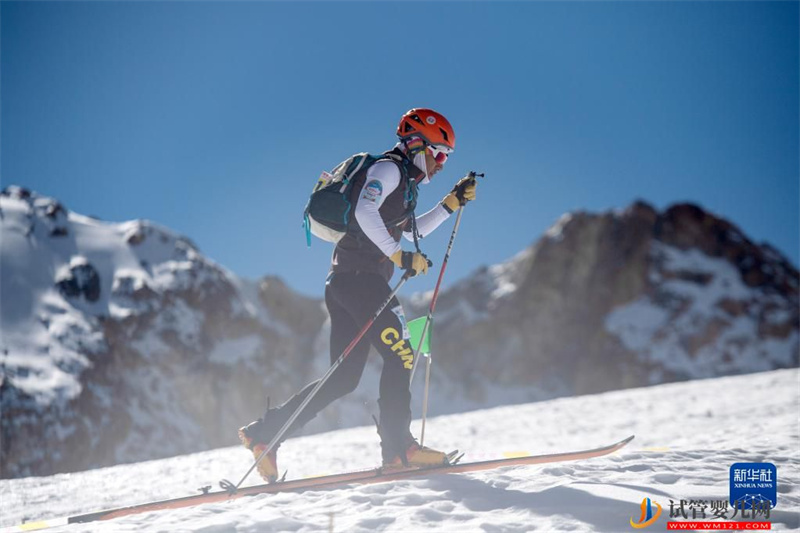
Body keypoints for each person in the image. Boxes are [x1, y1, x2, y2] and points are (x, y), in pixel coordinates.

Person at [239, 108, 477, 482]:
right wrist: (398, 256)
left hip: (348, 283)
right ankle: (400, 450)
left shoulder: (406, 187)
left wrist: (451, 204)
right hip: (360, 280)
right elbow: (366, 209)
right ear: (418, 145)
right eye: (440, 153)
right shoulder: (388, 170)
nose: (442, 164)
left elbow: (414, 233)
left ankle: (263, 434)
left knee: (343, 378)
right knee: (400, 351)